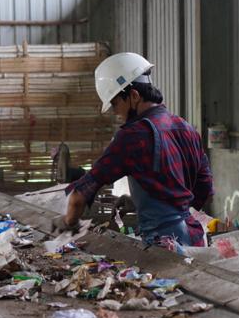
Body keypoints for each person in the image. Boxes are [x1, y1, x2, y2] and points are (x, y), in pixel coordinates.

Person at [58, 52, 213, 248]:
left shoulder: (133, 136)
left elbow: (80, 196)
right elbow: (205, 187)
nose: (115, 112)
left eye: (115, 103)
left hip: (164, 247)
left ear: (133, 96)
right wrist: (172, 209)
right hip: (195, 239)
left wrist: (67, 225)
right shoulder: (185, 127)